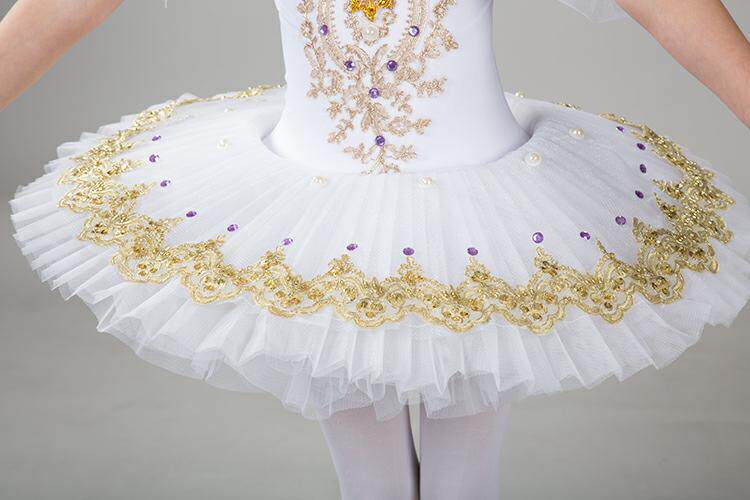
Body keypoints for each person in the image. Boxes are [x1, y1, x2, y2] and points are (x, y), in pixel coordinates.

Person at [3, 1, 750, 498]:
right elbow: (63, 10)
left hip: (483, 219)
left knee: (462, 481)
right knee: (374, 485)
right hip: (318, 214)